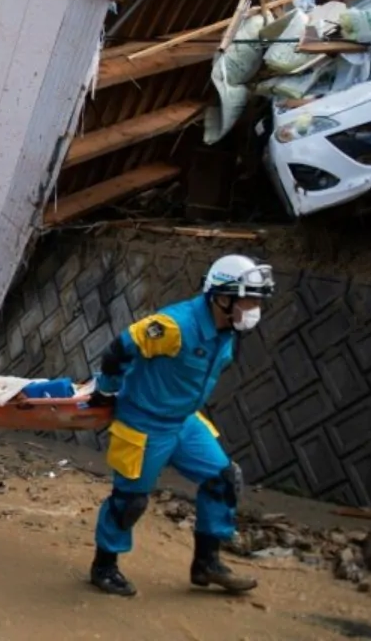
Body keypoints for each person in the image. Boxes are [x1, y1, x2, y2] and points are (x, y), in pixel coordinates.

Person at [88, 254, 274, 598]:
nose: (254, 308)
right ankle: (104, 565)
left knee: (223, 479)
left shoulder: (226, 330)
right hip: (144, 422)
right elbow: (119, 349)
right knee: (129, 501)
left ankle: (207, 563)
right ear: (222, 296)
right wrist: (106, 390)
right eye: (249, 299)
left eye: (257, 301)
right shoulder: (175, 326)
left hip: (184, 422)